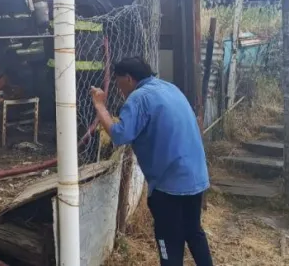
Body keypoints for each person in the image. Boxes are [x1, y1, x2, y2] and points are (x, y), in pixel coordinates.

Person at [90, 57, 213, 266]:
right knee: (193, 231)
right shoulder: (169, 88)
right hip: (195, 177)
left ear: (128, 78)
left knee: (168, 241)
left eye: (119, 83)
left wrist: (100, 106)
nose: (119, 89)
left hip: (169, 185)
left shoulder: (138, 98)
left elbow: (120, 135)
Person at [46, 0, 115, 162]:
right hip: (90, 67)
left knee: (61, 103)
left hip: (58, 65)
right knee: (88, 106)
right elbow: (113, 27)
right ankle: (88, 147)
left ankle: (60, 142)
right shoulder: (100, 1)